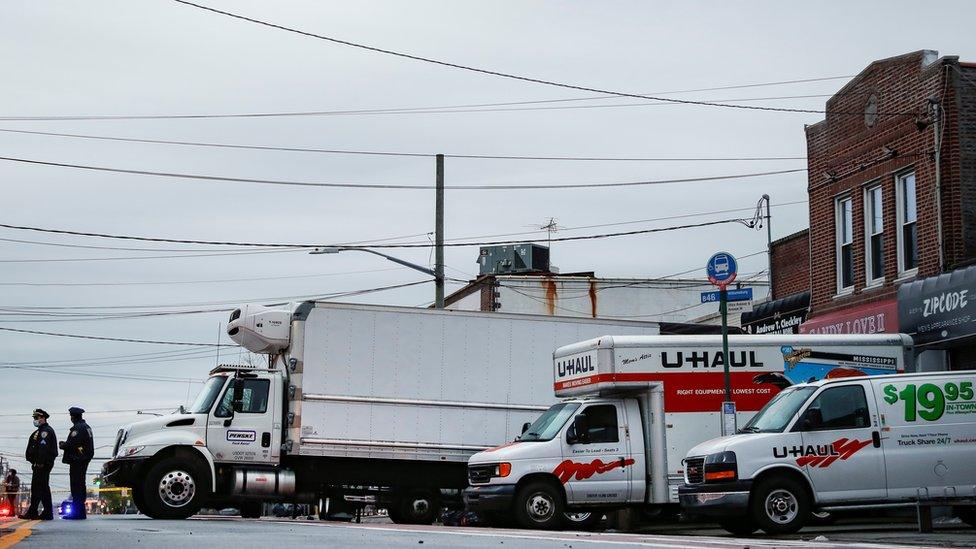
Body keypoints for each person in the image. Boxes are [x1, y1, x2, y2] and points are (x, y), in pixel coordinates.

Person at [21, 409, 57, 520]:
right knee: (38, 488)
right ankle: (34, 511)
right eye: (34, 418)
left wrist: (40, 462)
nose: (35, 420)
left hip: (43, 464)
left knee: (41, 487)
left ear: (43, 418)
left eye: (37, 418)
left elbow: (43, 448)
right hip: (38, 464)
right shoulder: (40, 431)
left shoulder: (45, 431)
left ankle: (46, 512)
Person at [60, 407, 94, 520]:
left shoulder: (78, 428)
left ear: (73, 417)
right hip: (83, 458)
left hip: (78, 459)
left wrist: (63, 445)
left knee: (76, 486)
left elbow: (72, 444)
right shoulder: (87, 427)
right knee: (80, 485)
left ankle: (78, 512)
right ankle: (80, 512)